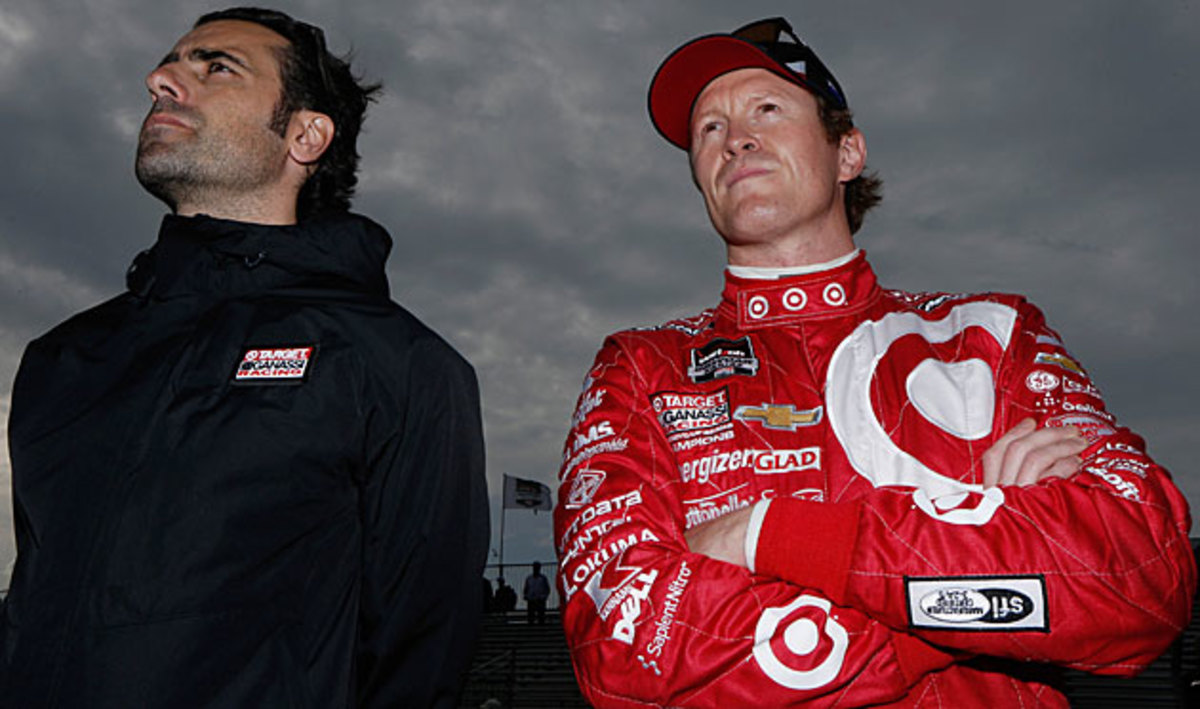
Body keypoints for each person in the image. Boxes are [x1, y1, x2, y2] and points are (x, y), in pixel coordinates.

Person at [554, 16, 1196, 707]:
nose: (734, 137)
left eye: (767, 109)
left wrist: (765, 534)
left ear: (848, 152)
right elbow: (621, 644)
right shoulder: (642, 367)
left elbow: (1142, 572)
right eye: (708, 129)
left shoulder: (994, 333)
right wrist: (972, 588)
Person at [1, 8, 488, 708]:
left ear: (305, 134)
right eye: (170, 63)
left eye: (215, 66)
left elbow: (419, 660)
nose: (160, 79)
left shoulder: (398, 363)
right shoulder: (62, 358)